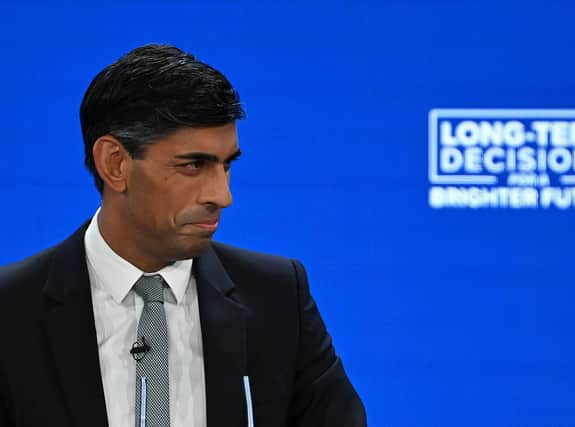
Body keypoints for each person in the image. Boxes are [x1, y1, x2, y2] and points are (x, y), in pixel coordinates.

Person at [0, 44, 366, 427]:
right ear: (115, 164)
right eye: (194, 165)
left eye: (227, 166)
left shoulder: (277, 299)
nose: (223, 196)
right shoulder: (10, 312)